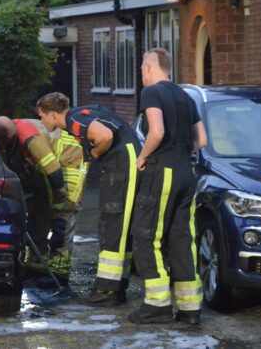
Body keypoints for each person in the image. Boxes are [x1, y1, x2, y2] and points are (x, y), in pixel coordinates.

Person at [128, 48, 207, 325]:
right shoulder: (186, 97)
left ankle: (157, 305)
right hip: (187, 172)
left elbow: (157, 131)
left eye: (141, 69)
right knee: (181, 238)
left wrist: (143, 156)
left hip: (163, 171)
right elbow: (203, 140)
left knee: (147, 234)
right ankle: (190, 309)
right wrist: (181, 151)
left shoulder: (152, 93)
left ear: (149, 67)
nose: (141, 74)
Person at [37, 93, 141, 304]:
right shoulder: (80, 114)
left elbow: (105, 136)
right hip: (123, 162)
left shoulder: (74, 120)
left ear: (53, 114)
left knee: (113, 225)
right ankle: (117, 286)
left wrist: (94, 154)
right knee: (117, 225)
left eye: (42, 116)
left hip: (123, 164)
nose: (41, 121)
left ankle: (106, 290)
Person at [0, 116, 86, 287]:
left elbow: (54, 173)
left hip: (68, 164)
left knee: (61, 219)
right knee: (36, 217)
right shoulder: (9, 136)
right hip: (43, 172)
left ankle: (59, 273)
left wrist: (59, 201)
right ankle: (36, 267)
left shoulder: (31, 138)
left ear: (4, 139)